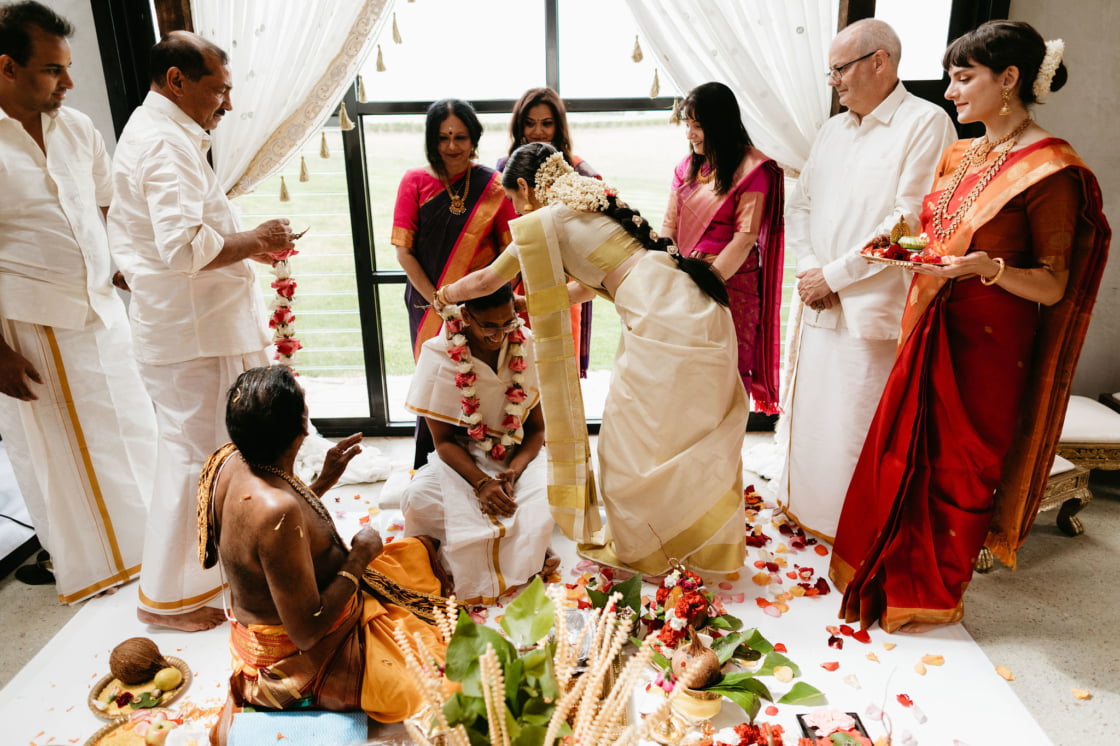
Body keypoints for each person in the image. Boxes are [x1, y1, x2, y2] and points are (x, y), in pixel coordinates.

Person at [830, 21, 1110, 633]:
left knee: (959, 469)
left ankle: (929, 594)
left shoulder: (1050, 170)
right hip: (932, 323)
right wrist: (903, 243)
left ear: (1008, 79)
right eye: (951, 78)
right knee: (903, 455)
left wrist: (990, 268)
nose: (950, 91)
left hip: (990, 345)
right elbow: (935, 238)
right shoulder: (960, 154)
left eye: (962, 78)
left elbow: (1054, 284)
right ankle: (883, 579)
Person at [434, 142, 748, 576]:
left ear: (525, 186)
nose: (515, 209)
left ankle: (650, 548)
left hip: (660, 321)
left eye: (513, 199)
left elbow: (489, 280)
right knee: (683, 434)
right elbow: (596, 280)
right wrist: (528, 304)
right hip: (690, 303)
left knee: (631, 445)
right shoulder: (591, 199)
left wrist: (444, 295)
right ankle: (698, 547)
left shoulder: (544, 220)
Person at [108, 31, 298, 631]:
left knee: (211, 456)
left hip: (195, 329)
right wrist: (258, 238)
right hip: (192, 336)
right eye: (219, 90)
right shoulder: (163, 142)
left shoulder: (164, 131)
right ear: (176, 81)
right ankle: (168, 598)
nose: (228, 104)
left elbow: (183, 238)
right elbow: (184, 248)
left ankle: (214, 579)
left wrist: (248, 249)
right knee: (194, 461)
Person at [775, 19, 956, 541]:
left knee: (857, 421)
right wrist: (812, 270)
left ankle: (855, 532)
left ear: (880, 62)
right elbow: (800, 205)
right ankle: (805, 512)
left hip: (872, 302)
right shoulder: (832, 130)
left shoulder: (926, 122)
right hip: (819, 295)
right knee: (814, 417)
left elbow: (908, 222)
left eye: (840, 69)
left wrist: (835, 277)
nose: (833, 80)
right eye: (830, 71)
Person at [0, 1, 157, 602]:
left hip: (101, 312)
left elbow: (106, 208)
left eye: (67, 68)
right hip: (31, 326)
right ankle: (98, 580)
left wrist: (127, 269)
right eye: (51, 70)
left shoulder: (77, 128)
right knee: (64, 461)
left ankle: (153, 562)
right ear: (7, 67)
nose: (68, 82)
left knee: (133, 434)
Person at [198, 366, 447, 733]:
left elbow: (266, 539)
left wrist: (323, 482)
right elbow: (307, 632)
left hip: (303, 607)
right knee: (426, 686)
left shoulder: (230, 459)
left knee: (413, 555)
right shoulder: (276, 511)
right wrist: (359, 557)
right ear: (303, 425)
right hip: (295, 661)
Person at [402, 284, 555, 604]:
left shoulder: (526, 344)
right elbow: (443, 441)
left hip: (517, 454)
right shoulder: (439, 354)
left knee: (543, 500)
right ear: (466, 316)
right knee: (419, 498)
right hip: (462, 456)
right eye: (488, 325)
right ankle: (441, 561)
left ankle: (533, 555)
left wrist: (513, 472)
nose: (499, 335)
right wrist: (482, 483)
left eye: (507, 323)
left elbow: (537, 430)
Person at [392, 98, 517, 469]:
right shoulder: (414, 181)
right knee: (436, 379)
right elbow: (404, 252)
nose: (451, 146)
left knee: (480, 379)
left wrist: (484, 299)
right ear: (432, 140)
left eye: (460, 137)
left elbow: (509, 254)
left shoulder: (494, 186)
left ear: (473, 138)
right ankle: (432, 463)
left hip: (482, 308)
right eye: (443, 137)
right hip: (427, 303)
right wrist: (439, 300)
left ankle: (487, 462)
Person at [662, 81, 785, 414]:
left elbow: (744, 237)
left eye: (698, 126)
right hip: (687, 278)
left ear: (720, 124)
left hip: (732, 282)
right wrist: (673, 275)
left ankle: (725, 441)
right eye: (688, 125)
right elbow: (669, 227)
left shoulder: (752, 171)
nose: (690, 134)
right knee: (687, 366)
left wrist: (708, 283)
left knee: (728, 365)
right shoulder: (686, 168)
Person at [498, 87, 599, 378]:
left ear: (559, 126)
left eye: (546, 123)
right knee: (518, 370)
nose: (538, 131)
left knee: (559, 369)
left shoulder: (578, 171)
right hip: (517, 272)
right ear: (519, 126)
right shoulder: (505, 168)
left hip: (565, 277)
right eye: (530, 123)